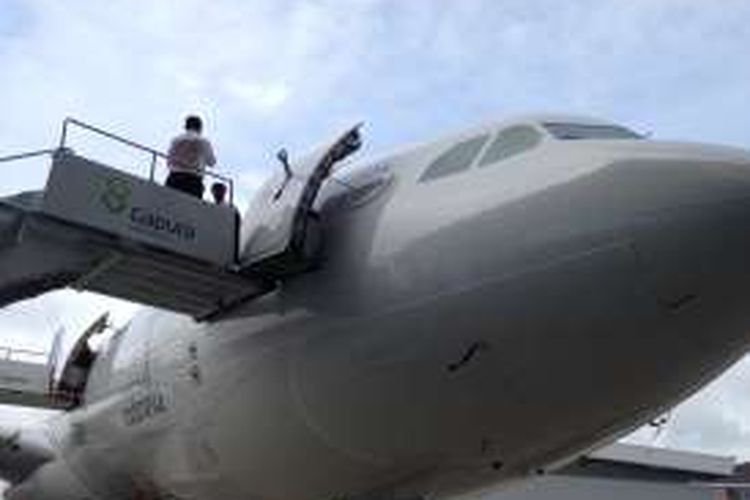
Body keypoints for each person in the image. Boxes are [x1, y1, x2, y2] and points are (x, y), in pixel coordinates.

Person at [166, 115, 216, 198]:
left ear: (186, 126)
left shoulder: (175, 140)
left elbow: (169, 159)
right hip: (193, 181)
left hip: (173, 178)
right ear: (199, 127)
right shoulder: (203, 141)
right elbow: (211, 162)